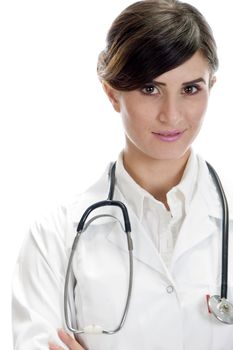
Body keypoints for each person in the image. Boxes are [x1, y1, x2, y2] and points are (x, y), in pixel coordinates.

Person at [12, 0, 233, 349]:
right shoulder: (54, 238)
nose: (172, 115)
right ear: (112, 93)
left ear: (212, 87)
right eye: (150, 89)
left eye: (190, 89)